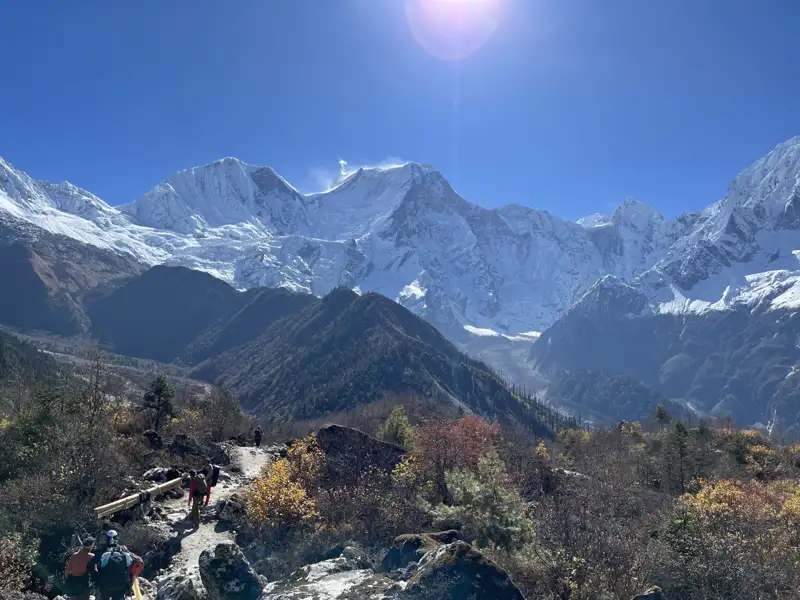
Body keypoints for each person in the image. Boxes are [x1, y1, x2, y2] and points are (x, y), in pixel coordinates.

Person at [88, 535, 142, 600]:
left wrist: (96, 577)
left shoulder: (105, 555)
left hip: (106, 585)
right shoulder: (126, 555)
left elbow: (96, 566)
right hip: (121, 585)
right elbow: (129, 567)